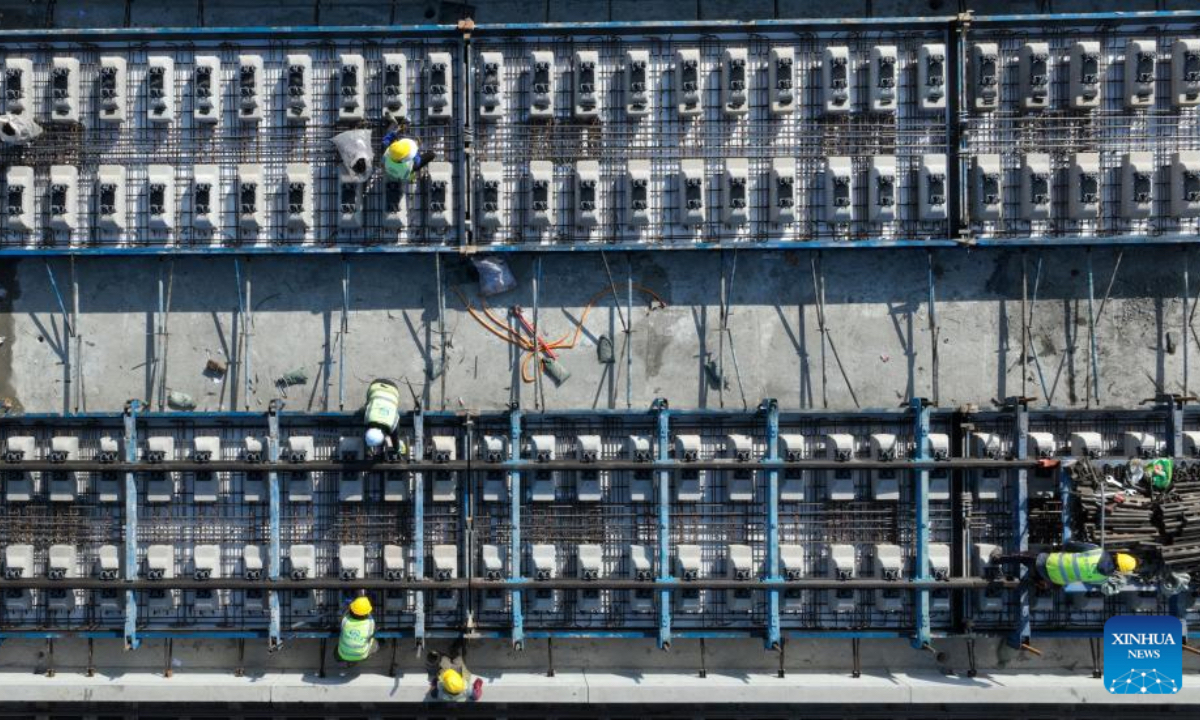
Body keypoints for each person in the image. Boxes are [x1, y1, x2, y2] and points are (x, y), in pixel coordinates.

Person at [991, 540, 1138, 589]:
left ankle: (997, 558)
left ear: (1116, 555)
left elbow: (1070, 546)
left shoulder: (1097, 552)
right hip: (1054, 580)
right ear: (1119, 570)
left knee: (1025, 557)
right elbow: (1087, 582)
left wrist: (1059, 547)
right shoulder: (1102, 579)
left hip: (1049, 563)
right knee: (1049, 582)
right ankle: (1029, 582)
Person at [363, 379, 402, 452]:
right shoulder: (368, 418)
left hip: (394, 389)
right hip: (375, 385)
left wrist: (397, 449)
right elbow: (367, 407)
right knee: (370, 401)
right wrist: (396, 449)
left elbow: (395, 438)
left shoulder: (392, 424)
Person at [337, 596, 378, 664]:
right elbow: (372, 633)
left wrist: (348, 606)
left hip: (343, 654)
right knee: (375, 643)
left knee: (341, 644)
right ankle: (363, 657)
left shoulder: (345, 621)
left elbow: (344, 615)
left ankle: (342, 659)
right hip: (361, 656)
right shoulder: (370, 623)